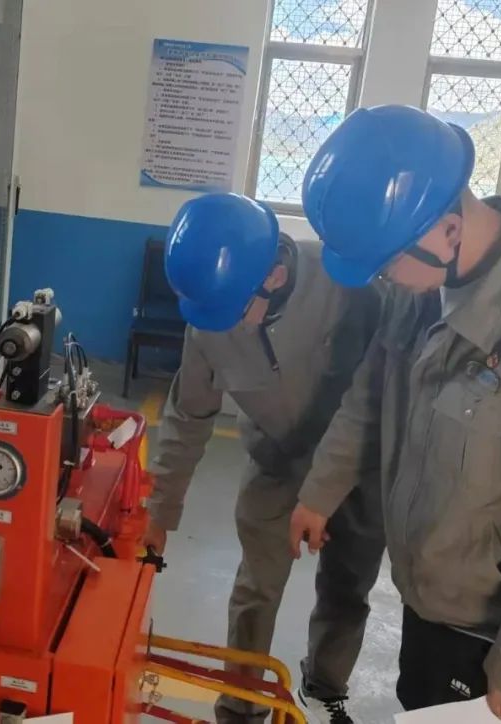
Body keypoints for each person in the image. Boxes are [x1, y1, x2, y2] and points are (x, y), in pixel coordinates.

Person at [289, 105, 501, 724]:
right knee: (417, 704)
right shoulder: (424, 287)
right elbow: (370, 396)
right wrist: (321, 490)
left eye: (387, 263)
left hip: (499, 636)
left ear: (448, 229)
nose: (385, 279)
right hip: (432, 601)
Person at [146, 192, 384, 724]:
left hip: (356, 467)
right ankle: (241, 704)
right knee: (257, 586)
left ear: (274, 276)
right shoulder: (211, 315)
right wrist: (158, 513)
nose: (219, 327)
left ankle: (325, 689)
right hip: (277, 459)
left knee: (347, 588)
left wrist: (329, 490)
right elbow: (188, 417)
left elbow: (381, 388)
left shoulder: (347, 285)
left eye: (231, 313)